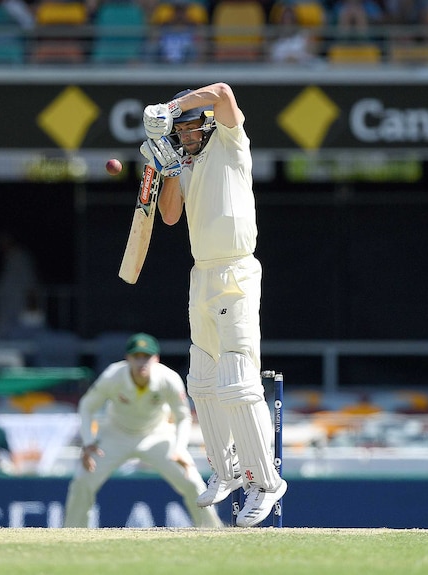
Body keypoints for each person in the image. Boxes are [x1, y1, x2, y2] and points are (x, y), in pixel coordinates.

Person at [140, 83, 287, 527]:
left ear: (205, 124)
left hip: (237, 273)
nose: (184, 136)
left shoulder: (230, 142)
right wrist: (164, 169)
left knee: (238, 384)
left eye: (189, 128)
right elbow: (168, 216)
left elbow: (222, 92)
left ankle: (265, 482)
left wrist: (171, 106)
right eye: (178, 132)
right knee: (202, 382)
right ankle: (225, 472)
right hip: (201, 274)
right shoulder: (184, 162)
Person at [63, 332, 222, 528]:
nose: (141, 362)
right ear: (127, 358)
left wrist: (179, 448)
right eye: (136, 357)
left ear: (156, 359)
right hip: (116, 434)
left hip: (157, 435)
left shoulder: (168, 379)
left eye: (146, 357)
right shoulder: (113, 376)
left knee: (192, 481)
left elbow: (183, 416)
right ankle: (72, 532)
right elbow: (87, 406)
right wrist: (88, 443)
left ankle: (212, 530)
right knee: (82, 480)